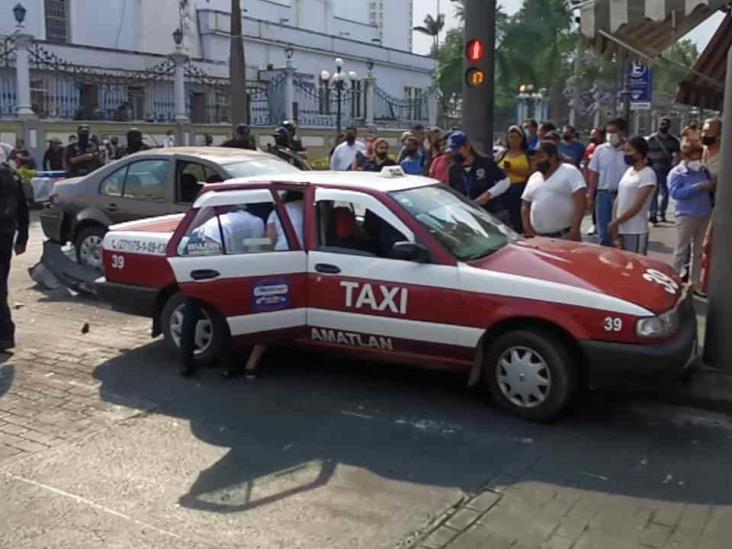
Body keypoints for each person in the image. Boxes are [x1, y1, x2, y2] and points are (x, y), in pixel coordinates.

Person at [668, 141, 714, 293]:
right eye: (696, 156)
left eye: (700, 156)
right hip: (686, 214)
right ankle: (673, 282)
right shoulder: (677, 173)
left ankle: (695, 284)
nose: (698, 159)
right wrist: (698, 187)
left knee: (698, 250)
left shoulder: (704, 171)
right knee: (681, 249)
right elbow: (676, 193)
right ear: (687, 156)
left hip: (703, 213)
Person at [521, 141, 587, 241]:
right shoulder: (534, 177)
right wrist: (528, 229)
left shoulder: (569, 171)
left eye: (541, 156)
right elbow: (525, 205)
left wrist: (575, 228)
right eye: (535, 157)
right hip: (538, 237)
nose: (536, 160)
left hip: (564, 235)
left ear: (553, 157)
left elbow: (581, 200)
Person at [447, 131, 511, 222]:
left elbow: (505, 181)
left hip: (491, 213)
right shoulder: (453, 170)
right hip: (468, 217)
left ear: (467, 146)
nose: (454, 153)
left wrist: (489, 194)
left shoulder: (486, 162)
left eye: (457, 150)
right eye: (452, 150)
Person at [608, 136, 656, 255]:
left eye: (629, 150)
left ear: (639, 153)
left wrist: (616, 222)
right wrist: (615, 222)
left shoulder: (648, 174)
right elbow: (619, 199)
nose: (625, 154)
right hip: (621, 228)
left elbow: (637, 206)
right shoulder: (628, 172)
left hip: (635, 230)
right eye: (625, 150)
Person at [0, 161, 29, 352]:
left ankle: (4, 334)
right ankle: (4, 335)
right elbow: (23, 208)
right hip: (6, 235)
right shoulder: (12, 174)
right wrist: (22, 237)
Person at [588, 118, 628, 246]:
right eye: (608, 132)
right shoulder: (600, 150)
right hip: (603, 194)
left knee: (621, 232)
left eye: (614, 132)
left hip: (622, 196)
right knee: (604, 233)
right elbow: (594, 173)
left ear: (622, 132)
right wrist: (590, 195)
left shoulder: (628, 150)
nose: (610, 135)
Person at [497, 125, 532, 232]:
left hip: (519, 189)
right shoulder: (503, 154)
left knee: (517, 217)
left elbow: (531, 173)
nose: (513, 140)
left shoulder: (527, 155)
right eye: (511, 137)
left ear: (521, 139)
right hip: (504, 189)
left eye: (516, 137)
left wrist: (513, 170)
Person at [646, 117, 680, 224]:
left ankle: (662, 213)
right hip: (653, 168)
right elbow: (645, 153)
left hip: (667, 169)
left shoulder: (673, 141)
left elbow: (678, 155)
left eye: (666, 124)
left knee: (666, 192)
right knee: (653, 192)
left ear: (669, 126)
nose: (663, 125)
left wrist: (675, 166)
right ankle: (653, 213)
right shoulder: (651, 139)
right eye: (662, 123)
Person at [581, 127, 605, 236]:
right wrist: (586, 179)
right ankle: (594, 224)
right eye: (591, 135)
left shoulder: (604, 149)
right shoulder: (590, 148)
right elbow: (586, 164)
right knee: (593, 203)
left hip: (603, 181)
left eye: (595, 135)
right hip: (591, 180)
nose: (592, 137)